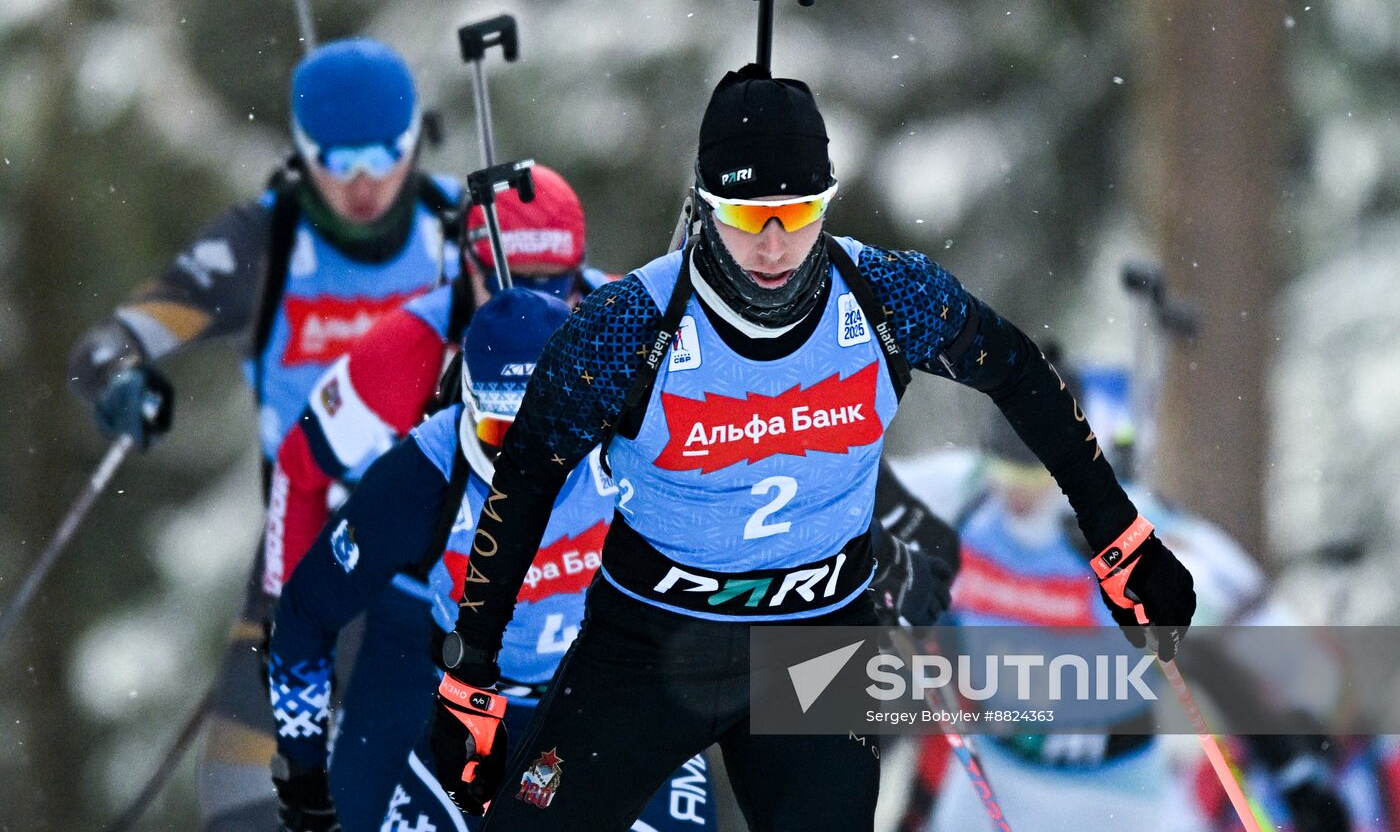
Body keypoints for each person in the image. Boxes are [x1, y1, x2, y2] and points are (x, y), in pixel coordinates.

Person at [427, 63, 1197, 831]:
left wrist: (1120, 538)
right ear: (703, 205)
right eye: (744, 215)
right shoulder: (628, 326)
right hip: (649, 644)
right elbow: (525, 476)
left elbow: (1019, 374)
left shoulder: (887, 297)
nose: (772, 246)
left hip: (817, 645)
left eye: (796, 215)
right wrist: (472, 675)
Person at [65, 37, 461, 829]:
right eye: (336, 160)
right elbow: (109, 345)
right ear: (302, 151)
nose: (362, 184)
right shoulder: (267, 241)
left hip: (442, 570)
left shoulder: (461, 230)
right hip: (301, 562)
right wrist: (120, 382)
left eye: (384, 154)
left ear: (415, 138)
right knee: (244, 803)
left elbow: (564, 321)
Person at [266, 288, 718, 832]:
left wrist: (839, 707)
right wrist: (303, 771)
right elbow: (305, 613)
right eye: (501, 433)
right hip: (476, 723)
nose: (524, 457)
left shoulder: (639, 435)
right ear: (467, 403)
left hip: (624, 705)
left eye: (549, 423)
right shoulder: (425, 475)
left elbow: (779, 569)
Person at [889, 362, 1353, 832]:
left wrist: (1293, 767)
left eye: (1036, 477)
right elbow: (858, 491)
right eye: (1005, 470)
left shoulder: (1123, 520)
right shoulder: (964, 496)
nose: (1017, 494)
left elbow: (1223, 638)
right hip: (999, 781)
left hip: (1118, 793)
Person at [262, 165, 608, 602]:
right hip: (430, 597)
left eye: (556, 285)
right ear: (468, 265)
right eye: (510, 284)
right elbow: (299, 469)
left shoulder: (624, 323)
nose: (533, 305)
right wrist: (286, 607)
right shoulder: (405, 349)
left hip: (579, 588)